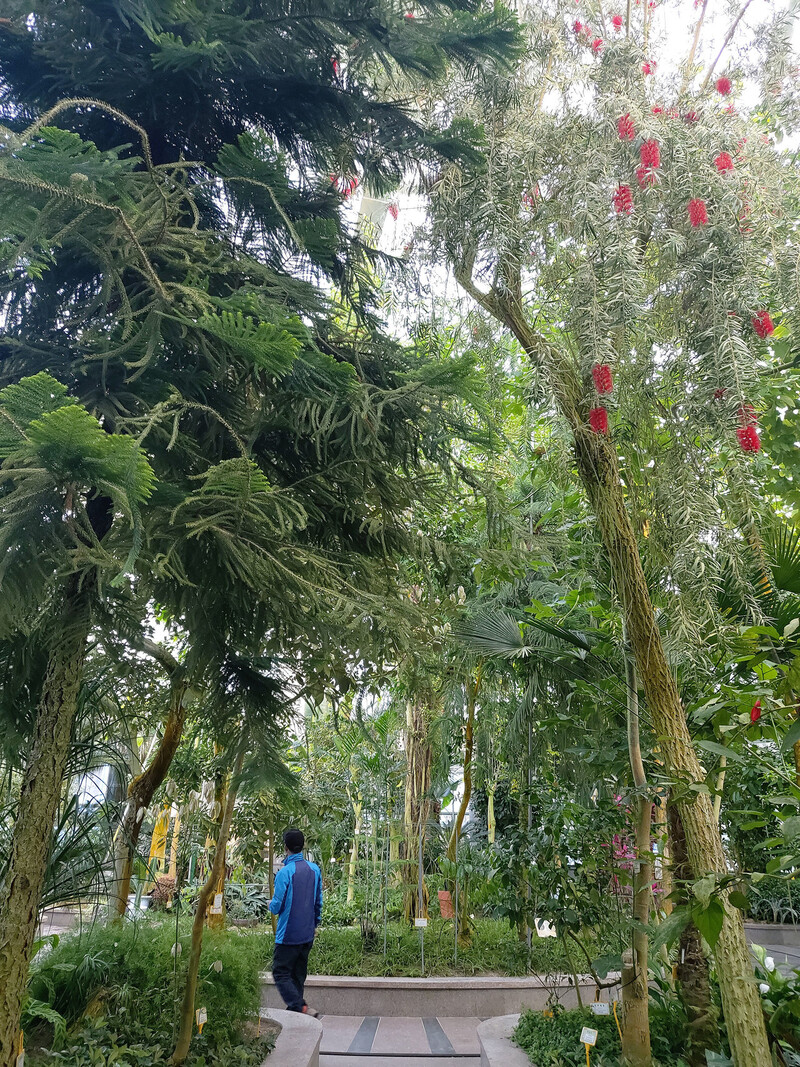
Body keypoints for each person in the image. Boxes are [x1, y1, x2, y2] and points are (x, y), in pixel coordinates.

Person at [268, 828, 323, 1016]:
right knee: (298, 976)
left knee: (281, 973)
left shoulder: (285, 873)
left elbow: (277, 906)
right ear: (303, 846)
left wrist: (269, 904)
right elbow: (318, 902)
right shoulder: (315, 870)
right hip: (307, 934)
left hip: (288, 936)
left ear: (285, 847)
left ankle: (301, 1007)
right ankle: (297, 1015)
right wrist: (315, 924)